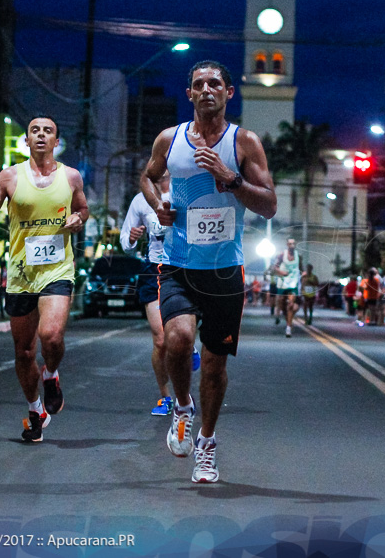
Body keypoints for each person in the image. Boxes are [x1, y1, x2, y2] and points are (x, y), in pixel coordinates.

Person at [140, 60, 277, 483]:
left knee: (215, 367)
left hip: (223, 273)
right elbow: (148, 177)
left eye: (214, 83)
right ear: (190, 94)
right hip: (177, 265)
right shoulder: (171, 139)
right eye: (198, 84)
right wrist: (158, 205)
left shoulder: (244, 143)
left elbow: (269, 204)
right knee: (177, 341)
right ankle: (182, 407)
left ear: (228, 92)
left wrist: (229, 178)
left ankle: (207, 442)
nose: (206, 90)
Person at [0, 114, 88, 443]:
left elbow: (83, 209)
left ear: (57, 141)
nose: (41, 135)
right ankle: (35, 409)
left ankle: (51, 374)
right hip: (22, 273)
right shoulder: (10, 176)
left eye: (48, 131)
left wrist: (78, 218)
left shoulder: (70, 177)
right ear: (26, 140)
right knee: (24, 352)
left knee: (51, 336)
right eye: (35, 131)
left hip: (57, 269)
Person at [120, 170, 195, 416]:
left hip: (184, 268)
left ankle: (189, 349)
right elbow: (125, 240)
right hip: (154, 269)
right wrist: (131, 238)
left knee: (181, 335)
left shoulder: (184, 193)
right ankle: (166, 397)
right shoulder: (141, 199)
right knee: (161, 340)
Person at [272, 238, 301, 337]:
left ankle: (288, 328)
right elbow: (274, 267)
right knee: (281, 303)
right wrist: (281, 272)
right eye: (290, 244)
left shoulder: (298, 256)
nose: (292, 245)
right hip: (282, 283)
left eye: (293, 243)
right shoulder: (281, 255)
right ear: (287, 245)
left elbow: (301, 269)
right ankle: (279, 314)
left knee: (291, 305)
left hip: (293, 284)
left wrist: (304, 274)